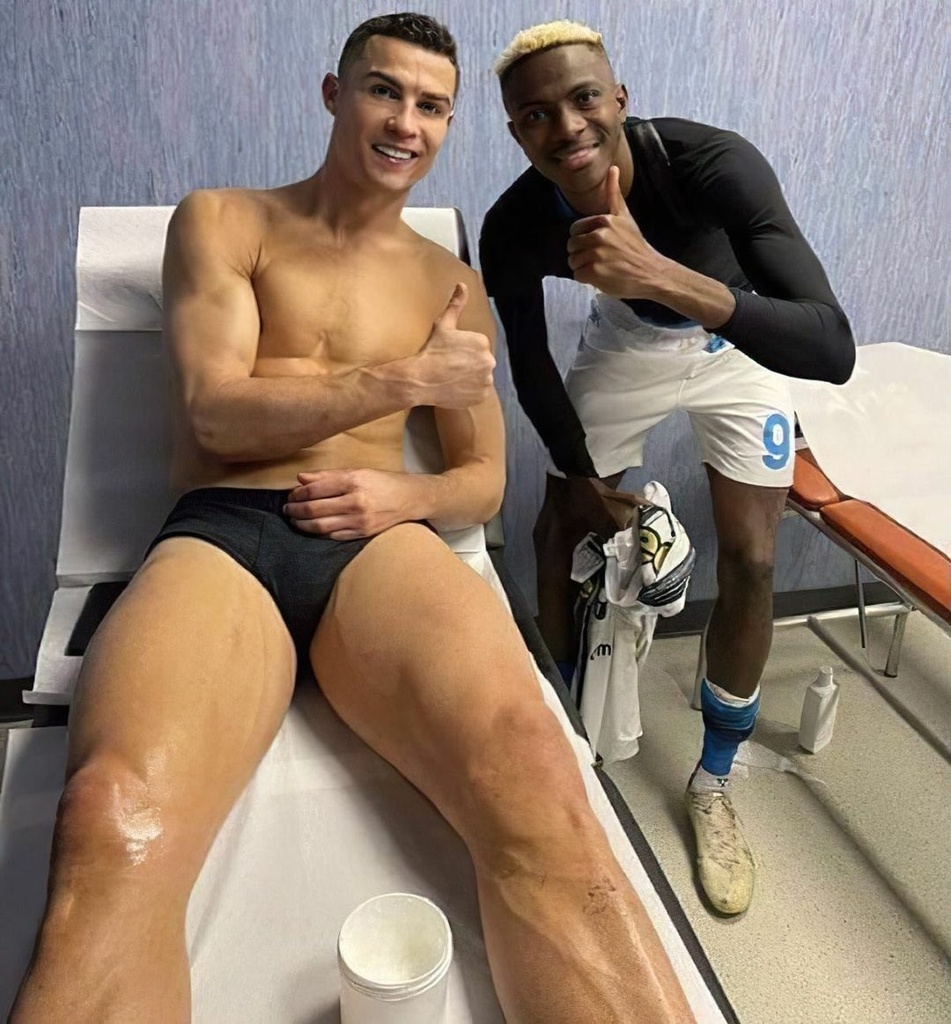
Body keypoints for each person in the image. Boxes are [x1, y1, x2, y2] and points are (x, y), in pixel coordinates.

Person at [11, 14, 694, 1023]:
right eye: (385, 91)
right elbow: (214, 413)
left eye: (431, 106)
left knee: (538, 772)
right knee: (111, 815)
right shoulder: (224, 222)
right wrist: (405, 379)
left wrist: (407, 496)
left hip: (378, 549)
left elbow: (481, 480)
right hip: (222, 537)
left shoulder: (448, 282)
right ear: (336, 95)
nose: (405, 122)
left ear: (449, 125)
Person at [479, 20, 855, 916]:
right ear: (516, 132)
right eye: (536, 115)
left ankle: (714, 781)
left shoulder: (710, 163)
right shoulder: (513, 224)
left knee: (752, 558)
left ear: (618, 98)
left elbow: (829, 346)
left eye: (583, 99)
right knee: (557, 528)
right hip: (626, 346)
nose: (566, 127)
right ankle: (560, 764)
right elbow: (528, 364)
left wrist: (656, 271)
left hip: (734, 339)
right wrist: (580, 480)